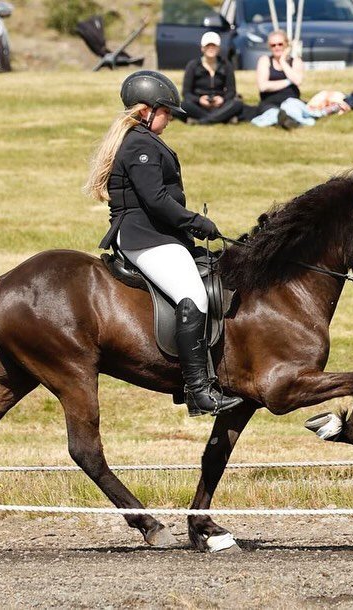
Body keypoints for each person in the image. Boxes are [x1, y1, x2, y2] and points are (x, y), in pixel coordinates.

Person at [84, 70, 243, 417]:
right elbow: (156, 201)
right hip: (144, 237)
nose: (169, 118)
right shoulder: (140, 144)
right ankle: (198, 391)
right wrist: (196, 222)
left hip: (156, 235)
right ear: (146, 111)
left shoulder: (141, 140)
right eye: (166, 112)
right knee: (194, 295)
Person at [250, 30, 320, 130]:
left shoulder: (296, 61)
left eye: (280, 44)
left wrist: (283, 61)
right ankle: (286, 120)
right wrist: (288, 81)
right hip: (269, 103)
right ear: (269, 47)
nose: (277, 47)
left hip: (291, 101)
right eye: (273, 45)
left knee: (293, 108)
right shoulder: (265, 60)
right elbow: (263, 86)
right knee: (273, 113)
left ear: (286, 45)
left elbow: (298, 81)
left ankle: (287, 120)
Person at [180, 31, 244, 125]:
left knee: (237, 104)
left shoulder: (226, 65)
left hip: (220, 104)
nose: (211, 48)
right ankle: (223, 118)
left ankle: (202, 121)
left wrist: (222, 99)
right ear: (202, 48)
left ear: (218, 48)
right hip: (198, 105)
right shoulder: (193, 65)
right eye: (208, 46)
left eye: (214, 46)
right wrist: (199, 100)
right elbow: (186, 93)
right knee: (183, 105)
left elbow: (231, 91)